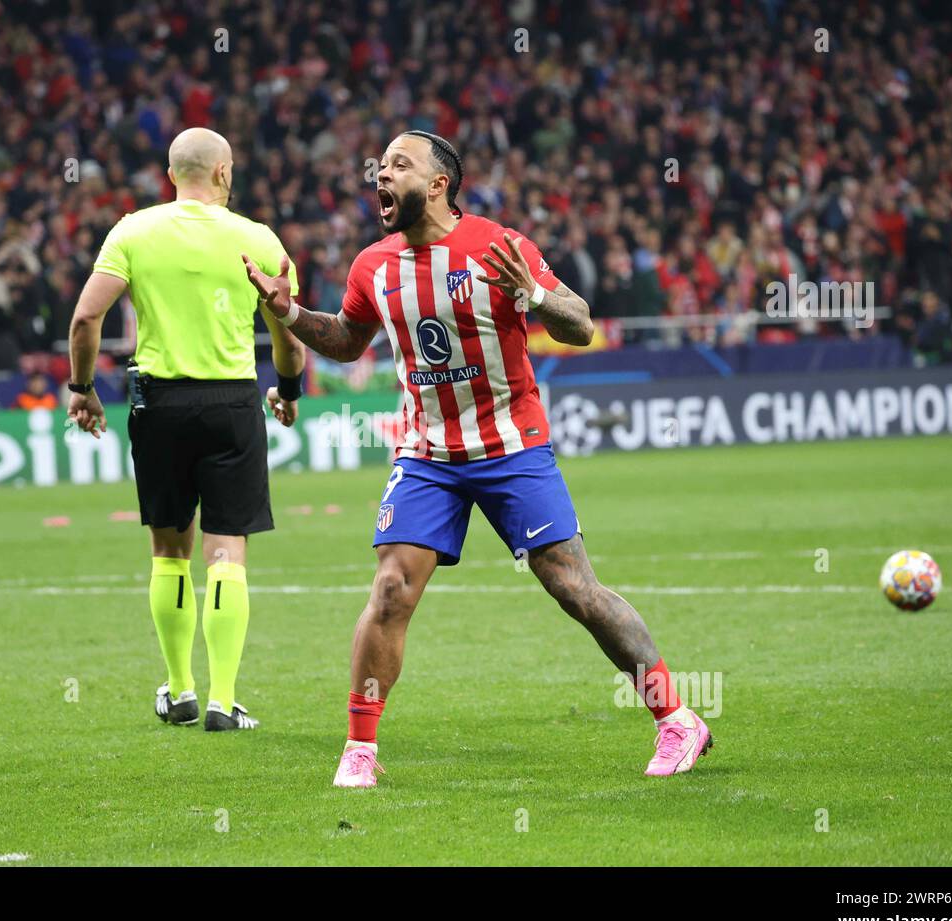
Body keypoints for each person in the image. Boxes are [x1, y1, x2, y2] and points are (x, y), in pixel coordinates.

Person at [245, 131, 712, 785]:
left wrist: (538, 297)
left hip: (511, 447)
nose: (381, 175)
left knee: (574, 589)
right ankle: (360, 749)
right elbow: (349, 341)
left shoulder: (499, 247)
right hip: (427, 453)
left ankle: (677, 720)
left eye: (399, 165)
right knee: (390, 590)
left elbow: (579, 324)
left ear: (439, 183)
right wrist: (289, 311)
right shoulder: (373, 266)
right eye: (378, 166)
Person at [69, 127, 304, 732]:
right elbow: (287, 335)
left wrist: (83, 389)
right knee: (227, 551)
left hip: (159, 407)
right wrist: (289, 388)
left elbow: (86, 316)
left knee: (169, 552)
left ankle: (178, 691)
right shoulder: (259, 239)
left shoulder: (132, 231)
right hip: (231, 406)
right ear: (223, 172)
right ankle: (224, 701)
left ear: (172, 174)